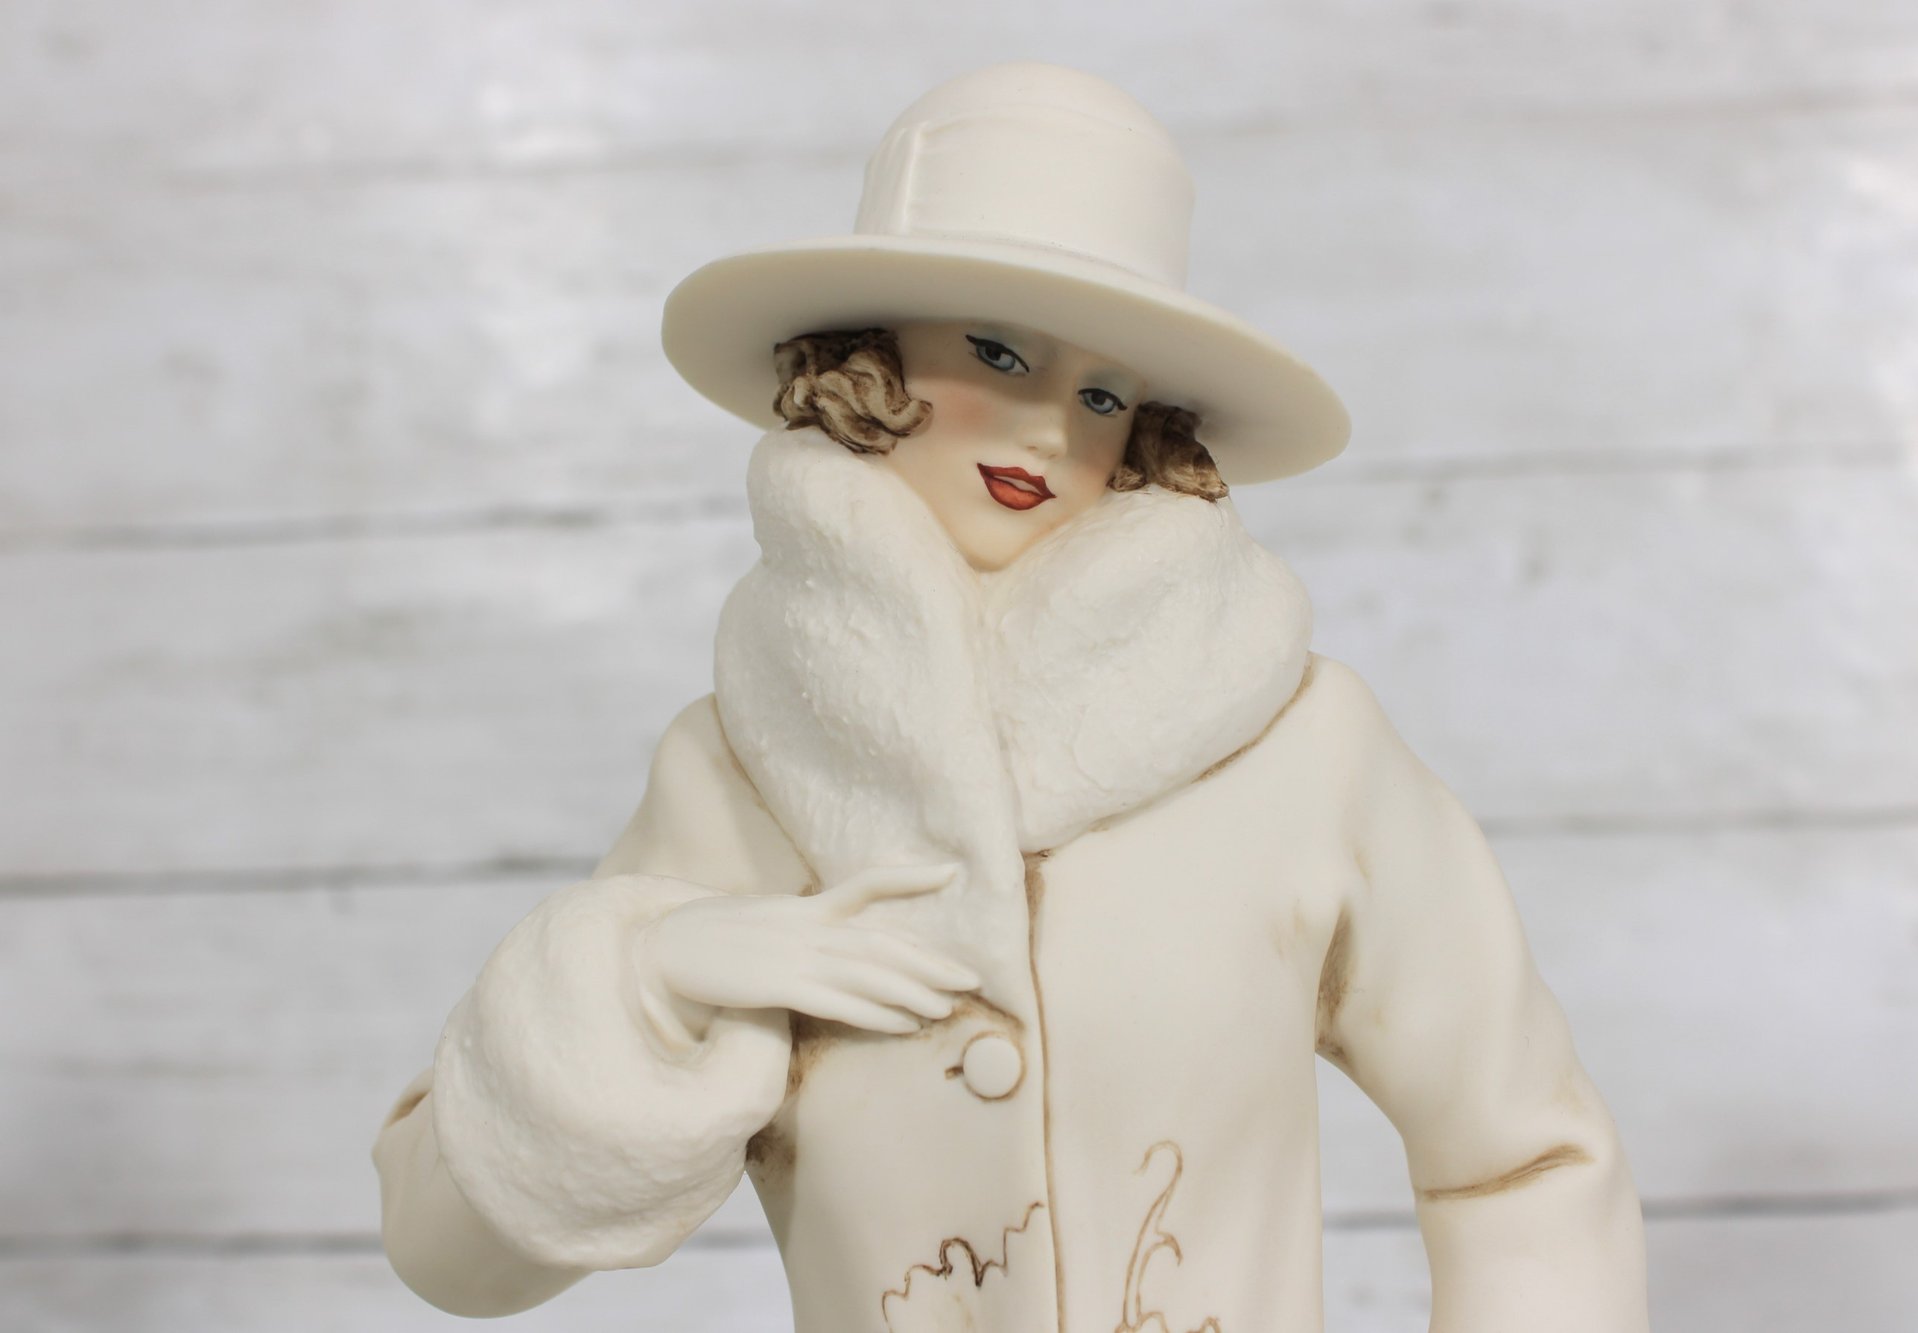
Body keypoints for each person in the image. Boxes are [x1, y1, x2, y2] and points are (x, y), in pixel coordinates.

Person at [372, 63, 1649, 1333]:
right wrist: (649, 978)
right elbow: (453, 1257)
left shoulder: (1304, 750)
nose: (1047, 430)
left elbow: (1520, 1158)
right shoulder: (738, 771)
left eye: (1101, 394)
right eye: (997, 353)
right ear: (868, 370)